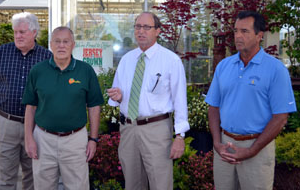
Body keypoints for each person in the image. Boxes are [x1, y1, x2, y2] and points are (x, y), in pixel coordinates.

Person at [205, 11, 297, 190]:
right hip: (225, 146)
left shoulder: (276, 70)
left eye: (245, 31)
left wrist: (251, 150)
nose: (238, 36)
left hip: (258, 148)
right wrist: (217, 142)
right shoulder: (224, 66)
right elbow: (213, 107)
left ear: (259, 35)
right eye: (236, 31)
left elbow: (281, 117)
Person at [107, 12, 189, 190]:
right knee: (133, 184)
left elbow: (180, 101)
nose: (141, 31)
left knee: (160, 184)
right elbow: (119, 96)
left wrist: (180, 136)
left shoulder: (171, 61)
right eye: (138, 27)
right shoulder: (127, 60)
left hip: (156, 131)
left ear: (158, 31)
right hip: (129, 129)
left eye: (147, 27)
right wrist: (119, 97)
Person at [0, 12, 52, 190]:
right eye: (15, 32)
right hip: (5, 123)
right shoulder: (1, 52)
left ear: (34, 32)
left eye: (22, 32)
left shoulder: (47, 57)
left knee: (32, 176)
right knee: (5, 177)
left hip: (35, 126)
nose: (18, 36)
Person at [22, 26, 104, 190]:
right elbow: (30, 107)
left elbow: (94, 107)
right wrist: (29, 138)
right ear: (51, 45)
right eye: (57, 42)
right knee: (43, 186)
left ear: (73, 45)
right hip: (43, 139)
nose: (61, 46)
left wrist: (93, 139)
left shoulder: (85, 70)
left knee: (78, 186)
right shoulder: (38, 71)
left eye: (66, 41)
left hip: (75, 140)